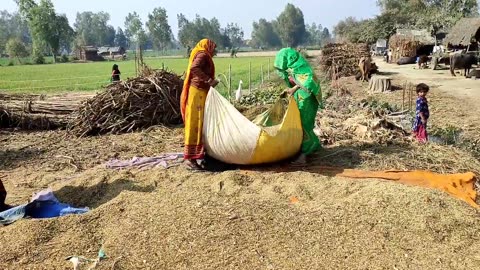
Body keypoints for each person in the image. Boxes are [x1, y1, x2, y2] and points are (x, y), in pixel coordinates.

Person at [274, 48, 323, 165]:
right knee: (302, 124)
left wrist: (293, 89)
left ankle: (304, 155)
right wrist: (290, 90)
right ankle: (313, 145)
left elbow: (308, 80)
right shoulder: (293, 69)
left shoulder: (302, 67)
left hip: (308, 99)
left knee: (304, 124)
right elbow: (296, 81)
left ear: (288, 58)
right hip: (301, 97)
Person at [180, 39, 219, 170]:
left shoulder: (204, 54)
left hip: (201, 91)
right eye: (213, 48)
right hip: (196, 92)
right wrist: (208, 80)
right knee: (194, 123)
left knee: (200, 123)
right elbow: (194, 68)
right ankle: (190, 159)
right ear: (208, 46)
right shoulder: (202, 55)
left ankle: (198, 155)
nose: (214, 51)